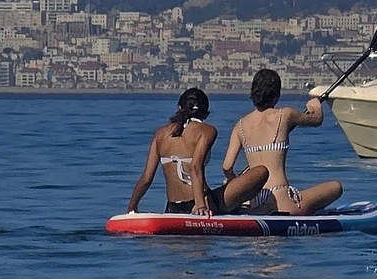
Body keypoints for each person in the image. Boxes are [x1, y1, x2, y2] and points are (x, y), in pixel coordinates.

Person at [127, 87, 269, 216]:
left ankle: (239, 209)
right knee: (261, 171)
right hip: (201, 202)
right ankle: (241, 209)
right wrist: (200, 205)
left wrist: (132, 207)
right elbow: (195, 166)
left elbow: (146, 178)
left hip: (172, 207)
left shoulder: (160, 134)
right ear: (206, 113)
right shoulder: (207, 131)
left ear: (179, 107)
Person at [221, 68, 343, 215]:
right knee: (336, 187)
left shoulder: (240, 126)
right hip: (280, 198)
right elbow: (316, 120)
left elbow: (227, 166)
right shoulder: (285, 115)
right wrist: (315, 106)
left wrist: (233, 179)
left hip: (253, 198)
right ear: (276, 96)